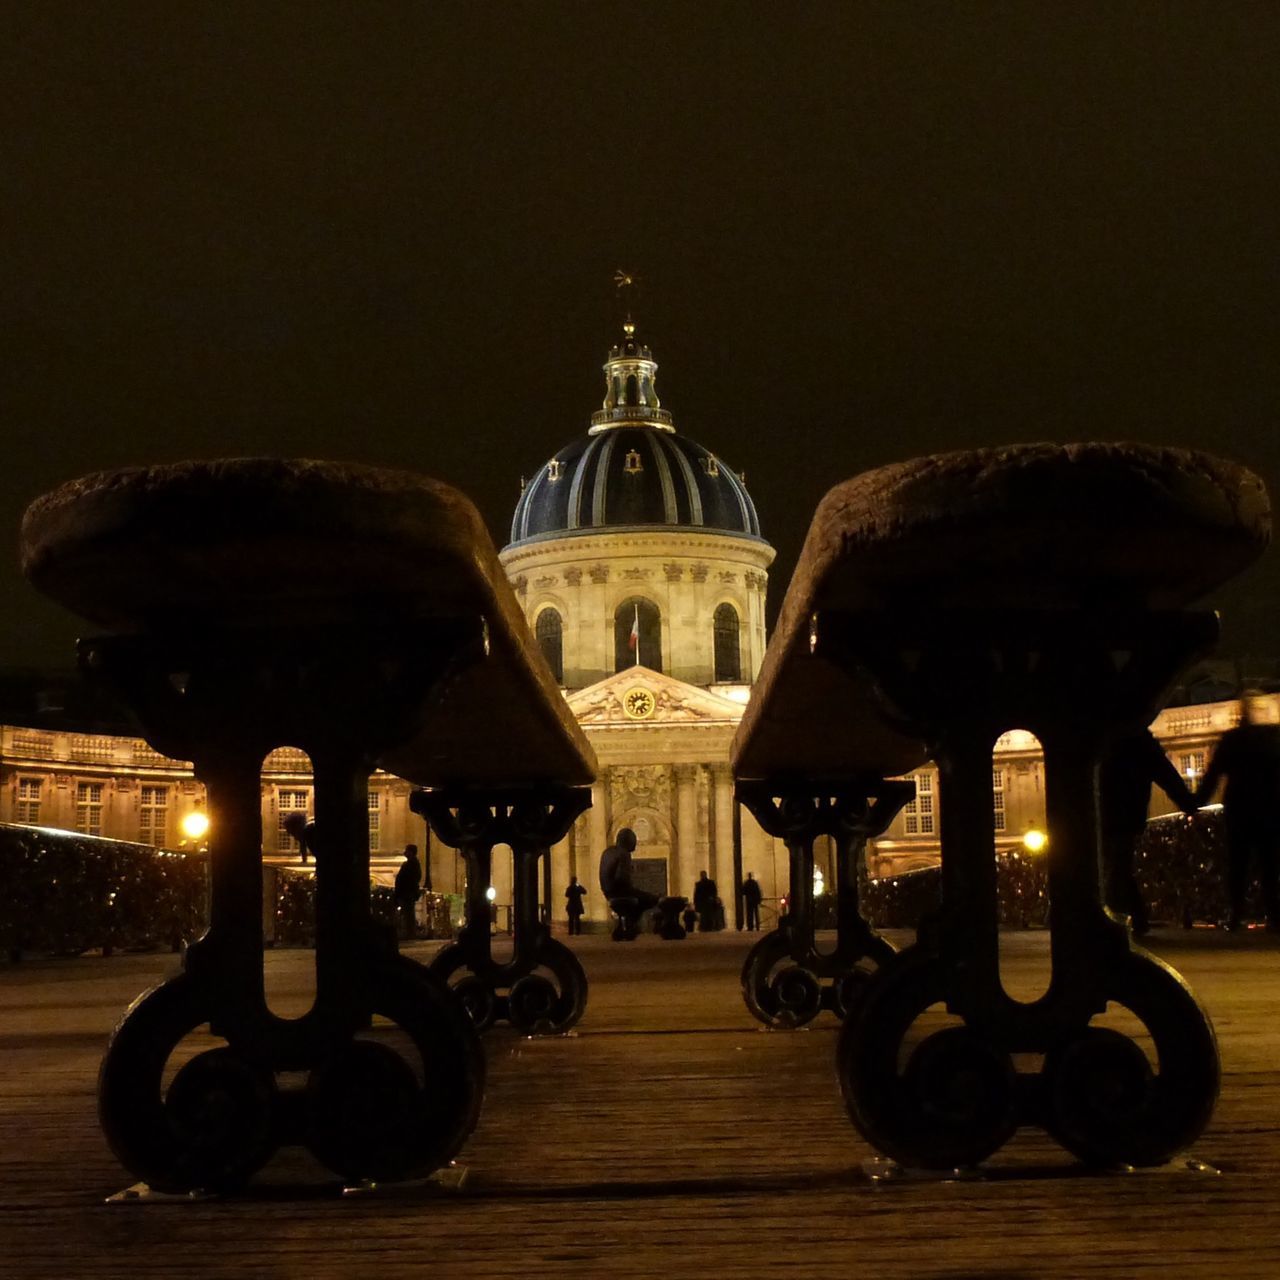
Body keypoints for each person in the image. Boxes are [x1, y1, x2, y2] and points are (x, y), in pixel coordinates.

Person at [1099, 726, 1197, 935]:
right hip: (1127, 812)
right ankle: (1135, 918)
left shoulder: (1104, 738)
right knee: (1119, 867)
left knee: (1116, 867)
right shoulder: (1140, 741)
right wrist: (1187, 802)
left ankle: (1119, 919)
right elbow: (1167, 775)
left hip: (1108, 812)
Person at [1195, 695, 1280, 930]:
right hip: (1271, 808)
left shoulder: (1233, 739)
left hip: (1240, 808)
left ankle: (1236, 914)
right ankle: (1275, 915)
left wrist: (1195, 803)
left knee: (1237, 864)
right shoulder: (1274, 739)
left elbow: (1213, 775)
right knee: (1270, 866)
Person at [599, 827, 658, 931]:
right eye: (634, 841)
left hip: (608, 892)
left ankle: (628, 924)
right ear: (628, 841)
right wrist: (637, 892)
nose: (635, 845)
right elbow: (622, 880)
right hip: (619, 892)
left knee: (640, 897)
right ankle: (631, 924)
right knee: (651, 899)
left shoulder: (608, 851)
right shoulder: (624, 854)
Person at [393, 843, 423, 939]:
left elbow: (407, 879)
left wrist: (401, 890)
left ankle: (409, 933)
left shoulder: (411, 864)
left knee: (408, 914)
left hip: (407, 893)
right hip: (407, 892)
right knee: (407, 914)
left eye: (407, 850)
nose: (405, 852)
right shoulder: (412, 863)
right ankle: (409, 932)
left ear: (411, 852)